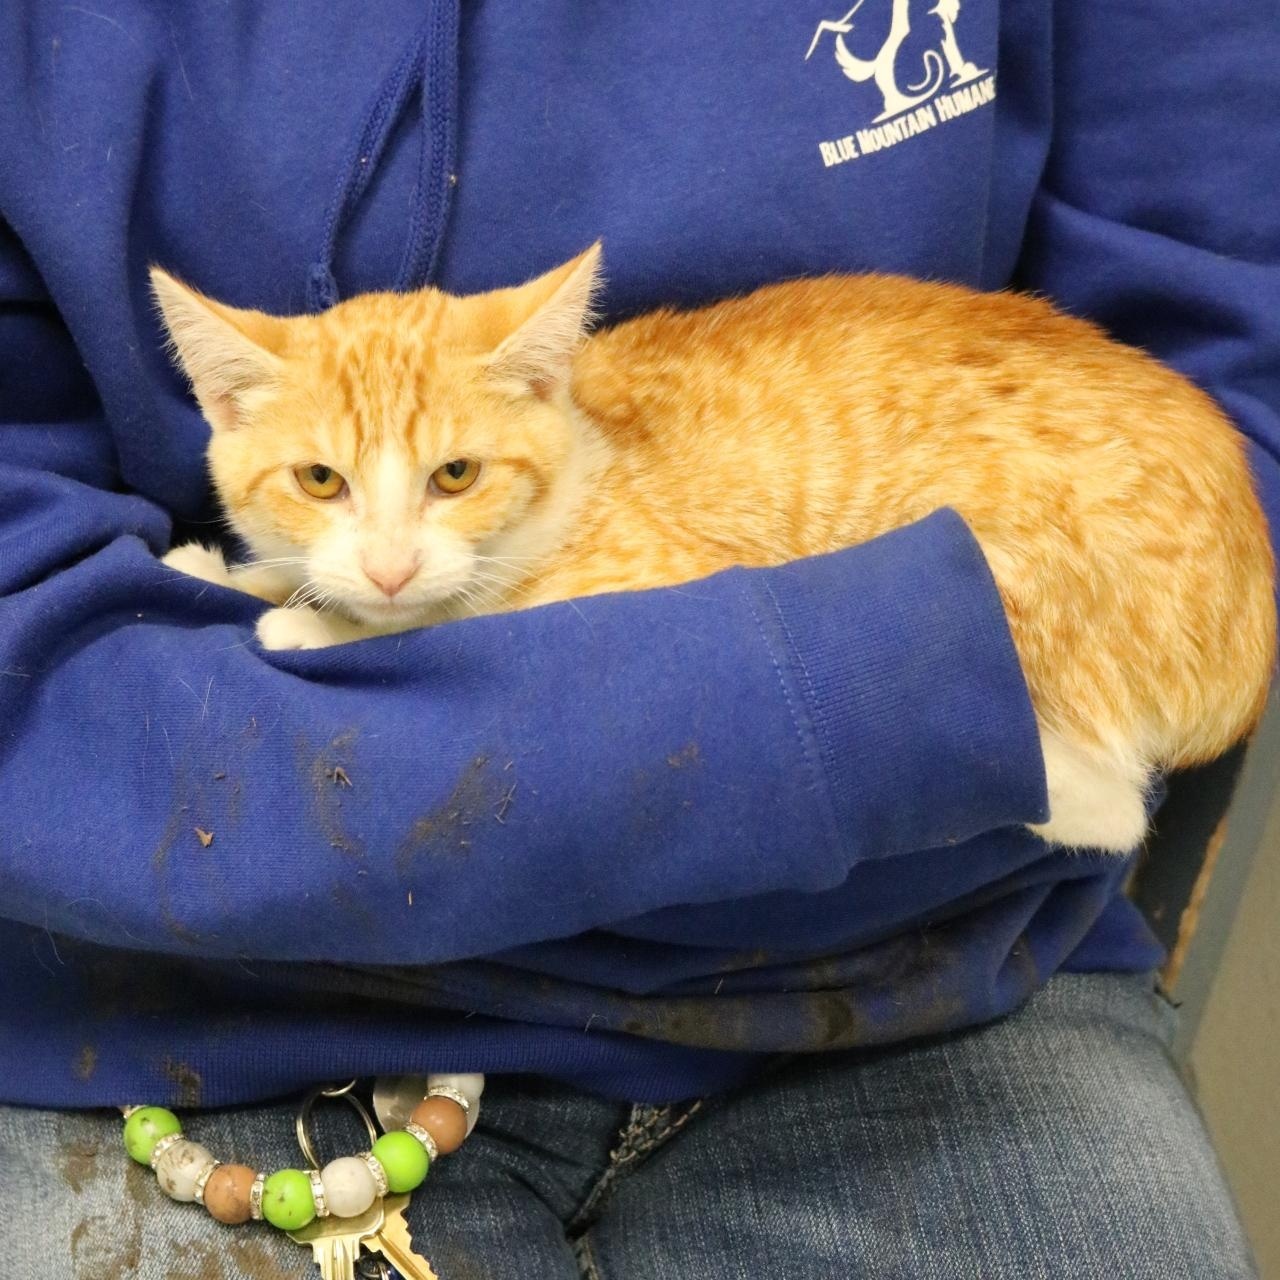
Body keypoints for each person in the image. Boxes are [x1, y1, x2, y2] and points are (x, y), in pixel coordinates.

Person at [0, 3, 1273, 1276]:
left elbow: (1219, 353)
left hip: (924, 956)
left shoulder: (578, 482)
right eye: (322, 486)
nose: (387, 564)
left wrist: (915, 702)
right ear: (221, 406)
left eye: (452, 477)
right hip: (242, 1008)